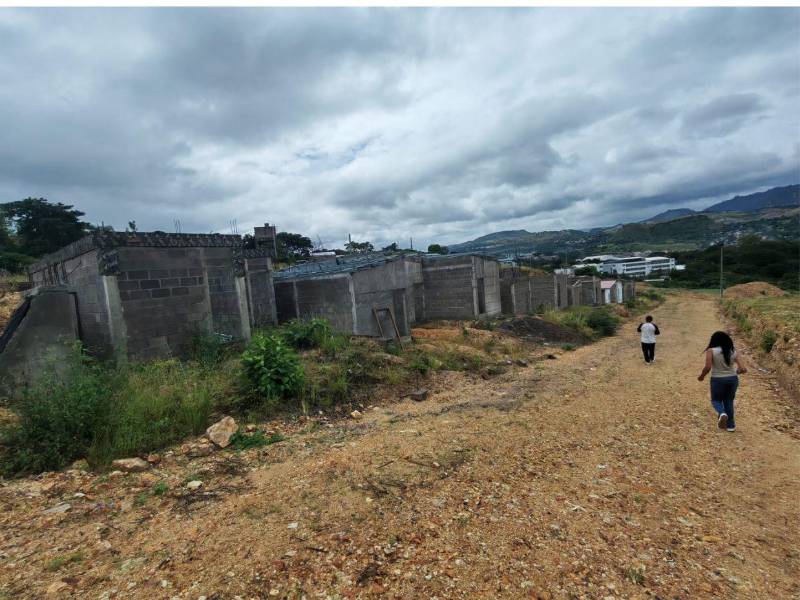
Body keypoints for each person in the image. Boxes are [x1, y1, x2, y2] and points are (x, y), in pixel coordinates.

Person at [697, 331, 747, 432]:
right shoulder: (733, 351)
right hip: (732, 379)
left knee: (716, 400)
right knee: (728, 401)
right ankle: (731, 426)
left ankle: (722, 413)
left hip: (718, 379)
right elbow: (743, 369)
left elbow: (707, 367)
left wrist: (702, 376)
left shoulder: (711, 351)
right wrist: (736, 372)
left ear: (714, 340)